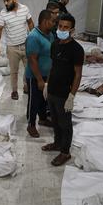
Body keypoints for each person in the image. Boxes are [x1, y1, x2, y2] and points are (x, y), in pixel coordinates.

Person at [41, 13, 84, 166]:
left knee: (65, 124)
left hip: (64, 94)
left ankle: (65, 152)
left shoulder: (77, 49)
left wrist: (72, 95)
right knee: (55, 121)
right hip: (52, 90)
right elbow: (53, 67)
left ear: (72, 30)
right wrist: (47, 84)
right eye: (60, 26)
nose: (62, 29)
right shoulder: (55, 44)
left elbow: (78, 75)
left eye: (66, 27)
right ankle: (57, 143)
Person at [0, 0, 34, 100]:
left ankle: (27, 87)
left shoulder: (24, 9)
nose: (6, 3)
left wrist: (33, 38)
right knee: (14, 71)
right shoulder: (3, 13)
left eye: (7, 0)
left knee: (29, 69)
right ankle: (14, 91)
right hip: (12, 48)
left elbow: (30, 22)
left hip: (26, 45)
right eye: (4, 1)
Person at [25, 10, 55, 137]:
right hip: (34, 76)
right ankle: (31, 125)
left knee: (44, 99)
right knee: (34, 101)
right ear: (44, 21)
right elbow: (32, 60)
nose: (55, 23)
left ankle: (42, 119)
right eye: (53, 21)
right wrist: (39, 80)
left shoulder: (50, 35)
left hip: (46, 75)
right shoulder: (33, 37)